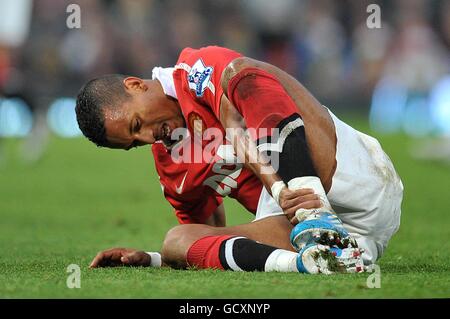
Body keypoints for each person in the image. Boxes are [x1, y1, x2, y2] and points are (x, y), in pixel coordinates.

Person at [76, 46, 403, 274]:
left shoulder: (195, 70)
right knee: (176, 239)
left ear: (134, 85)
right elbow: (211, 240)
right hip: (309, 231)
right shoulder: (170, 165)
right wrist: (151, 259)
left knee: (240, 72)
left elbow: (234, 127)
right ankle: (318, 260)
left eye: (136, 125)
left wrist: (279, 189)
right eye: (134, 143)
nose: (148, 138)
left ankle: (316, 217)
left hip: (350, 176)